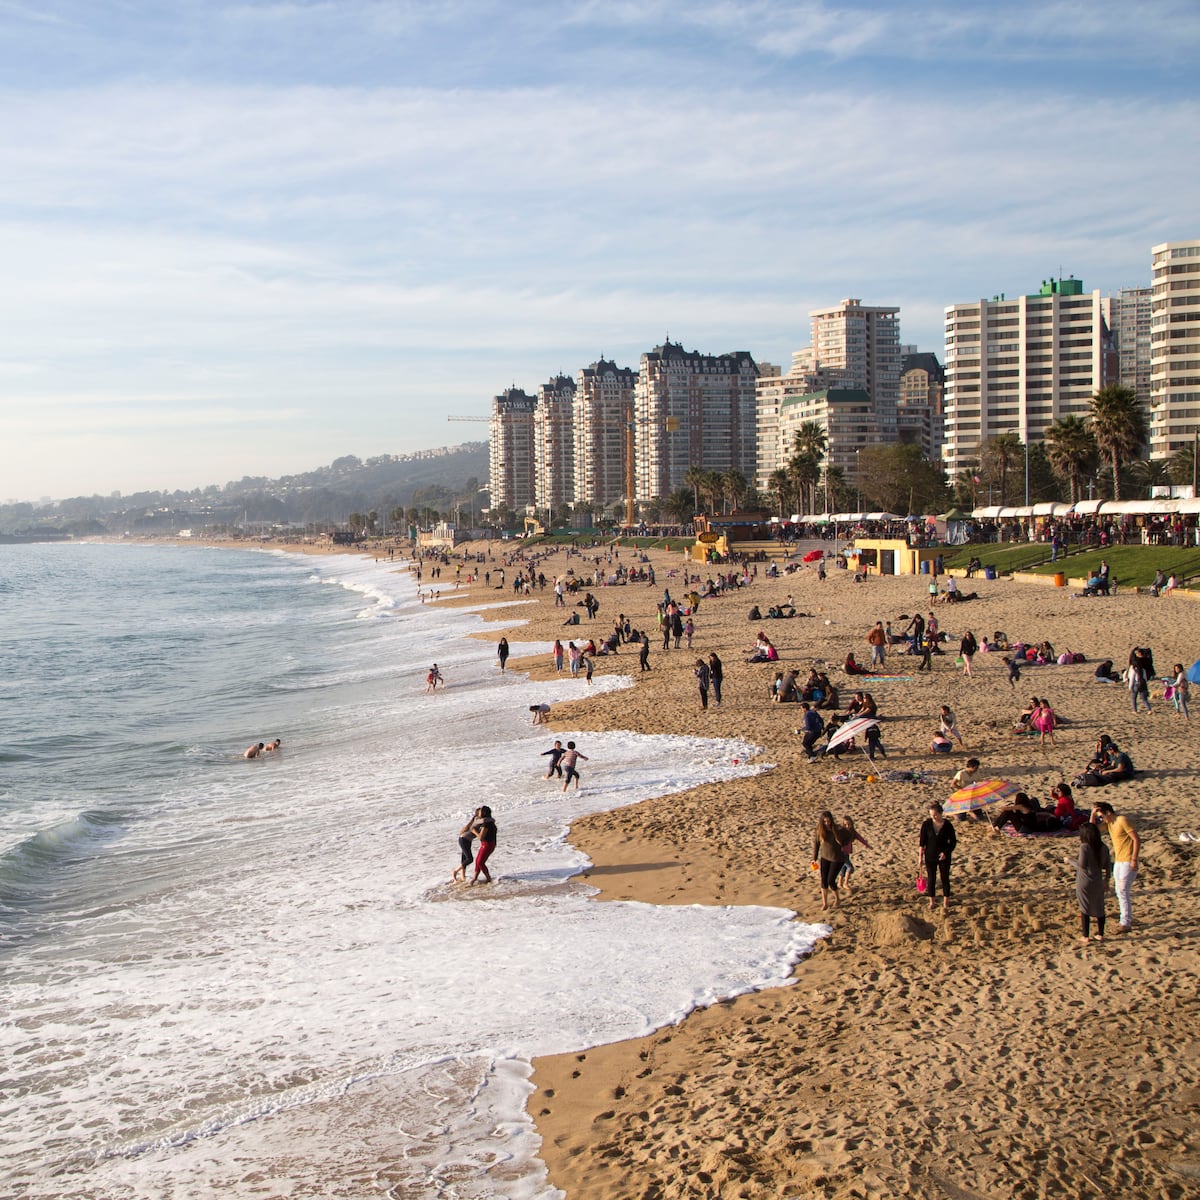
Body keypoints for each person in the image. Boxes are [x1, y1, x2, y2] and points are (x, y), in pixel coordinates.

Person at [1092, 801, 1139, 932]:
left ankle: (1126, 922)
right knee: (1119, 891)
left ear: (1109, 813)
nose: (1101, 819)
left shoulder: (1121, 820)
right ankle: (1125, 919)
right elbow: (1092, 829)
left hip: (1128, 860)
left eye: (1102, 816)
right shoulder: (1110, 824)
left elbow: (1136, 839)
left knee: (1122, 891)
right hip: (1118, 861)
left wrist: (1134, 859)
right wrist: (1093, 814)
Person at [1076, 821, 1111, 942]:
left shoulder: (1084, 847)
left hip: (1084, 881)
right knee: (1100, 907)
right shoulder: (1104, 847)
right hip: (1098, 881)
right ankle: (1100, 934)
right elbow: (1108, 866)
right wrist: (1107, 880)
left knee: (1085, 907)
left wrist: (1069, 861)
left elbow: (1081, 866)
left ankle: (1085, 936)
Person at [918, 802, 956, 911]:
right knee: (931, 879)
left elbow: (953, 842)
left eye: (935, 815)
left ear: (940, 813)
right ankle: (932, 902)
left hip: (944, 856)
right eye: (931, 815)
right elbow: (922, 842)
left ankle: (946, 902)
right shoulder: (926, 824)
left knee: (945, 878)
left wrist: (946, 852)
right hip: (930, 855)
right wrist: (920, 858)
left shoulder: (948, 825)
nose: (933, 817)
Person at [811, 810, 845, 911]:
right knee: (823, 881)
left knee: (831, 880)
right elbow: (816, 845)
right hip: (825, 857)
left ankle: (837, 899)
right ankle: (825, 903)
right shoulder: (819, 830)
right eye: (825, 822)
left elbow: (847, 838)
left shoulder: (837, 829)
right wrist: (814, 859)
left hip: (837, 858)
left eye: (828, 821)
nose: (827, 823)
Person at [836, 816, 871, 894]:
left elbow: (860, 838)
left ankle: (839, 883)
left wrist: (867, 845)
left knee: (843, 868)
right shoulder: (840, 832)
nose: (847, 826)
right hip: (841, 854)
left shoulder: (852, 832)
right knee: (850, 867)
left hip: (847, 853)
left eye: (849, 824)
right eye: (845, 825)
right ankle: (845, 883)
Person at [469, 806, 497, 885]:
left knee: (480, 862)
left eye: (480, 811)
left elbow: (481, 837)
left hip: (488, 844)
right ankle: (474, 879)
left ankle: (488, 879)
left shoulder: (487, 824)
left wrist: (474, 831)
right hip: (487, 844)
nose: (478, 813)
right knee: (478, 861)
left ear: (484, 813)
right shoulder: (489, 822)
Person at [453, 807, 482, 882]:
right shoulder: (477, 819)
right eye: (481, 812)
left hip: (466, 839)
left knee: (465, 858)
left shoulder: (477, 820)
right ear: (477, 814)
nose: (482, 813)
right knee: (470, 859)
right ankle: (455, 871)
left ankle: (463, 876)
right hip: (464, 839)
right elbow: (485, 820)